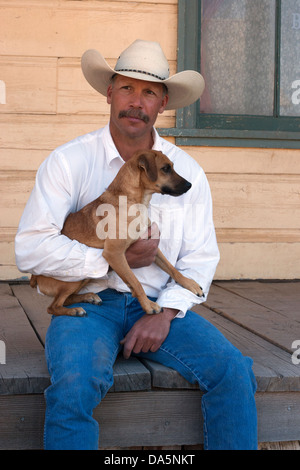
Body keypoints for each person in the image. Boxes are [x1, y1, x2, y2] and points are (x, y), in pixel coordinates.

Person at [15, 39, 257, 450]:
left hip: (161, 304)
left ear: (163, 102)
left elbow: (201, 256)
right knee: (73, 384)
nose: (135, 102)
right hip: (90, 305)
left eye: (148, 92)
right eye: (126, 88)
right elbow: (31, 249)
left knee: (234, 371)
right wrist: (109, 261)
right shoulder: (69, 161)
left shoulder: (187, 172)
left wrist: (166, 314)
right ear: (109, 93)